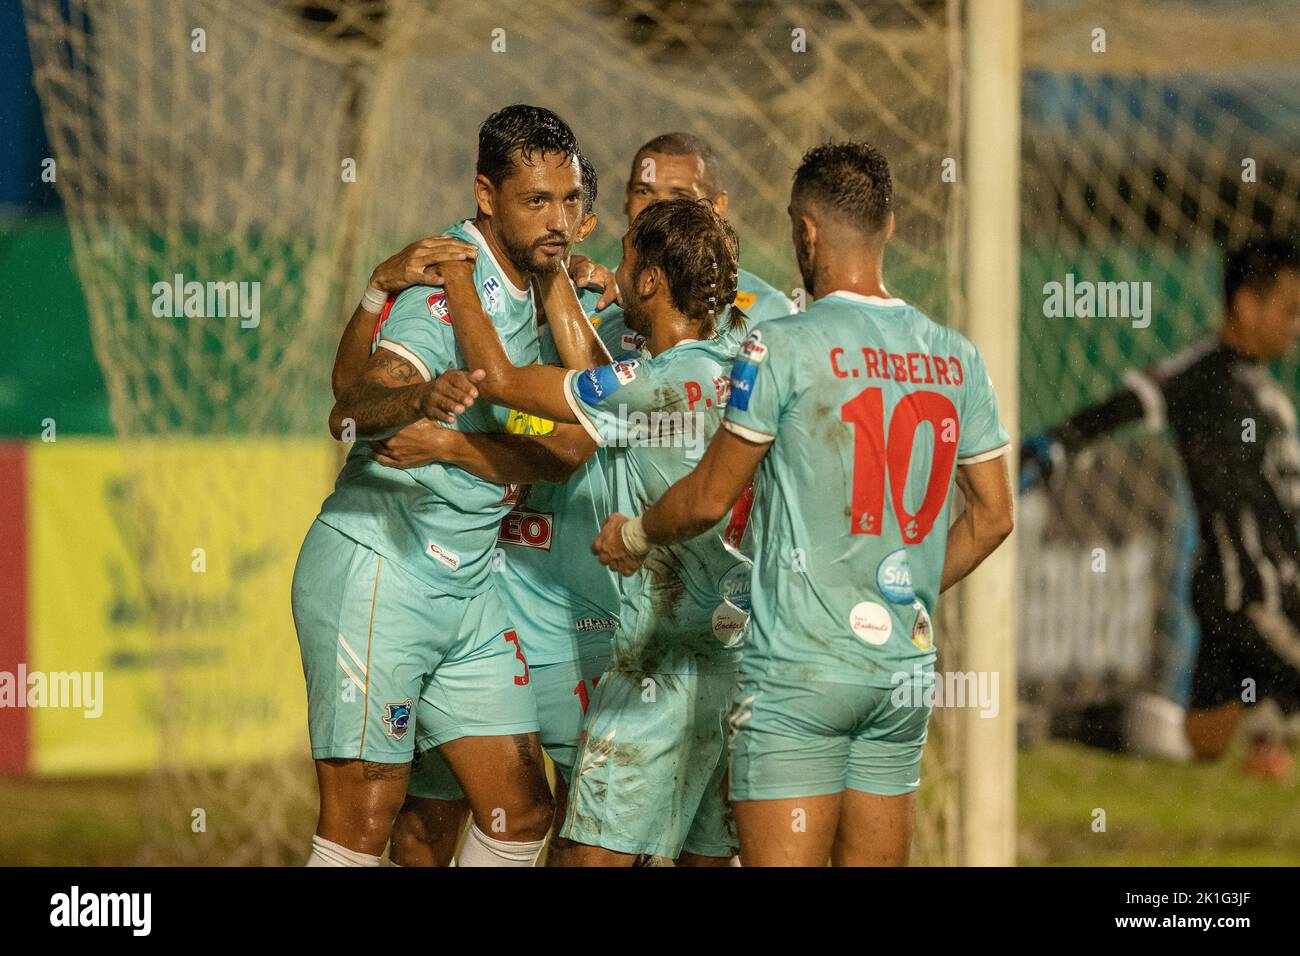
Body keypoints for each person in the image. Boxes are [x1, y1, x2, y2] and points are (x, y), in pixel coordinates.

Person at [593, 142, 1015, 866]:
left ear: (805, 233)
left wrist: (632, 535)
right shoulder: (956, 356)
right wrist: (899, 586)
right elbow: (996, 514)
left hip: (797, 673)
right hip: (899, 670)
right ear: (887, 227)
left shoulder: (777, 346)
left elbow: (707, 497)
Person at [292, 104, 592, 867]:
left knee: (522, 809)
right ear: (485, 195)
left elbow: (569, 450)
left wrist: (458, 445)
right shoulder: (441, 295)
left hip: (467, 586)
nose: (558, 220)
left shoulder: (544, 289)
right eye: (536, 201)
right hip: (380, 571)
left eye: (570, 199)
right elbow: (351, 413)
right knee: (363, 820)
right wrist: (414, 402)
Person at [1022, 236, 1300, 779]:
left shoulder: (1264, 390)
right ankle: (1274, 727)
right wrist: (1058, 442)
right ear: (1246, 305)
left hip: (1267, 591)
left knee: (1203, 738)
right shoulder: (1201, 373)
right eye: (1290, 310)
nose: (1297, 325)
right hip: (1247, 594)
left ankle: (1048, 725)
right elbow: (1134, 402)